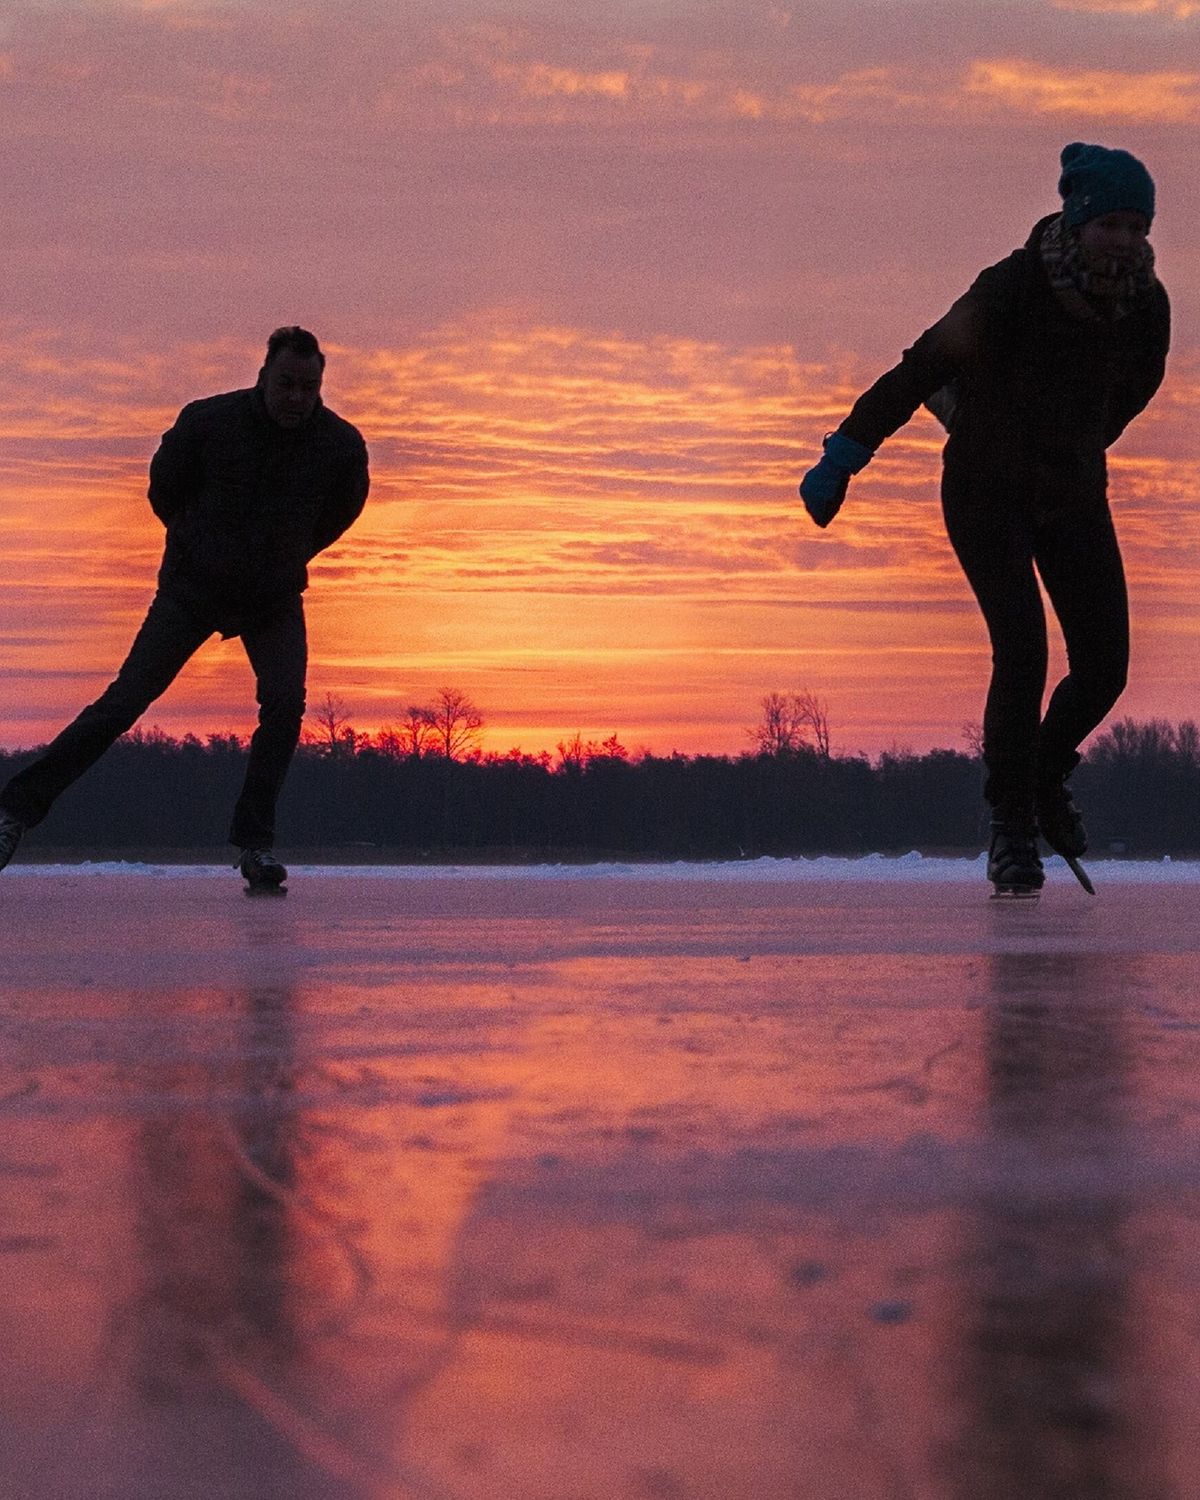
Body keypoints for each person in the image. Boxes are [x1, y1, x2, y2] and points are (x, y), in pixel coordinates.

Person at [798, 144, 1169, 895]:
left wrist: (1076, 445)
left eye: (1138, 226)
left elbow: (1132, 393)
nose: (1125, 240)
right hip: (985, 490)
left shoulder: (1145, 306)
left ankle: (1043, 775)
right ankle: (1011, 826)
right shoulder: (1012, 287)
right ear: (1078, 220)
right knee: (1023, 651)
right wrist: (844, 455)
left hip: (1071, 491)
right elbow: (920, 368)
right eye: (1111, 225)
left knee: (1105, 667)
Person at [0, 326, 369, 889]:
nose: (296, 397)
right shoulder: (208, 422)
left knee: (284, 705)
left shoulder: (339, 445)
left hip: (271, 598)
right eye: (286, 384)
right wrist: (202, 546)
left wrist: (286, 554)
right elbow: (164, 490)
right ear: (263, 377)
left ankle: (254, 845)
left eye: (308, 387)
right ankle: (14, 812)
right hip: (192, 591)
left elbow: (342, 511)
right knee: (125, 700)